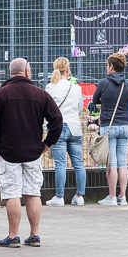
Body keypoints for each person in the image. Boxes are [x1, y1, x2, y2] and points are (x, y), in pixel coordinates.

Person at [0, 57, 62, 248]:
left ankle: (13, 235)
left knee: (12, 194)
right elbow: (57, 120)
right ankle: (34, 234)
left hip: (7, 153)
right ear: (27, 72)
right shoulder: (41, 94)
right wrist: (47, 143)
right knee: (33, 193)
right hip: (33, 152)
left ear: (11, 72)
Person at [87, 53, 128, 206]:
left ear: (111, 66)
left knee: (112, 163)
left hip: (109, 126)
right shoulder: (127, 83)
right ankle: (123, 196)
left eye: (107, 65)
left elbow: (94, 100)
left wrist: (104, 100)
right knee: (123, 162)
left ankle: (112, 197)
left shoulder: (104, 83)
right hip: (125, 126)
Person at [44, 58, 87, 206]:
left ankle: (59, 197)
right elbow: (81, 109)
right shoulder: (76, 88)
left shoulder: (50, 87)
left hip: (58, 128)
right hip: (75, 127)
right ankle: (80, 196)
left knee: (60, 164)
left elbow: (46, 110)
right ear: (68, 69)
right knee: (79, 164)